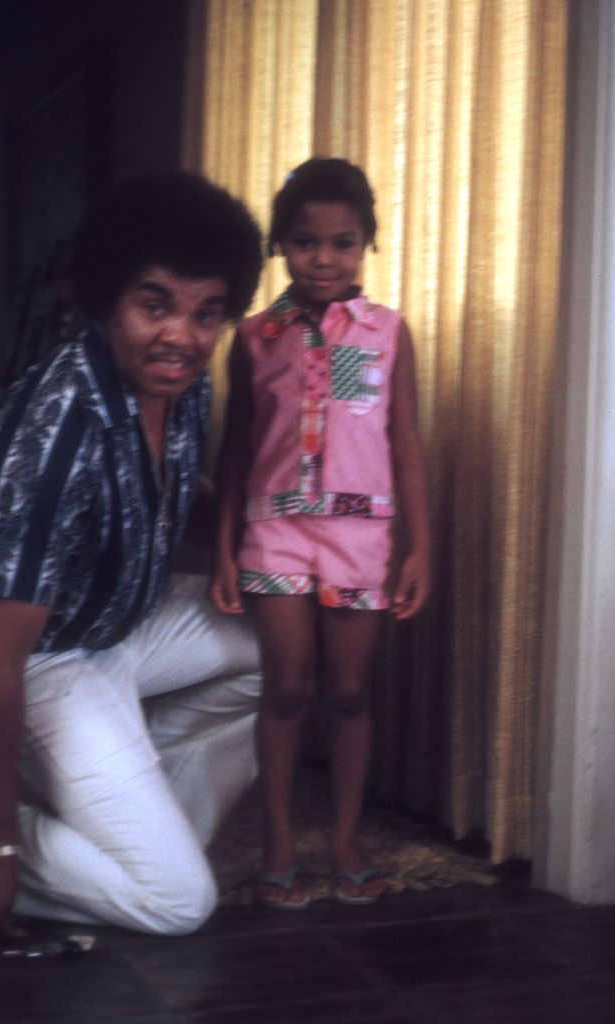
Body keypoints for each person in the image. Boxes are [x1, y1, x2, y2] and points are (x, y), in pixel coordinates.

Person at [0, 171, 265, 958]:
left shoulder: (185, 383)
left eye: (207, 314)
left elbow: (172, 495)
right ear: (105, 301)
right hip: (35, 659)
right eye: (154, 305)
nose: (182, 337)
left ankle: (122, 821)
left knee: (287, 638)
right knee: (174, 901)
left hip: (120, 622)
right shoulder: (58, 428)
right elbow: (0, 652)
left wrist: (284, 540)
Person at [210, 157, 431, 909]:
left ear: (367, 244)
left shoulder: (387, 333)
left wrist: (420, 549)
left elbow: (405, 444)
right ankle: (276, 840)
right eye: (306, 243)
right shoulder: (254, 337)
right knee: (288, 687)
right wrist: (222, 549)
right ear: (280, 246)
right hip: (274, 534)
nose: (325, 259)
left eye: (343, 243)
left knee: (345, 691)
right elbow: (236, 447)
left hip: (362, 536)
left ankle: (343, 839)